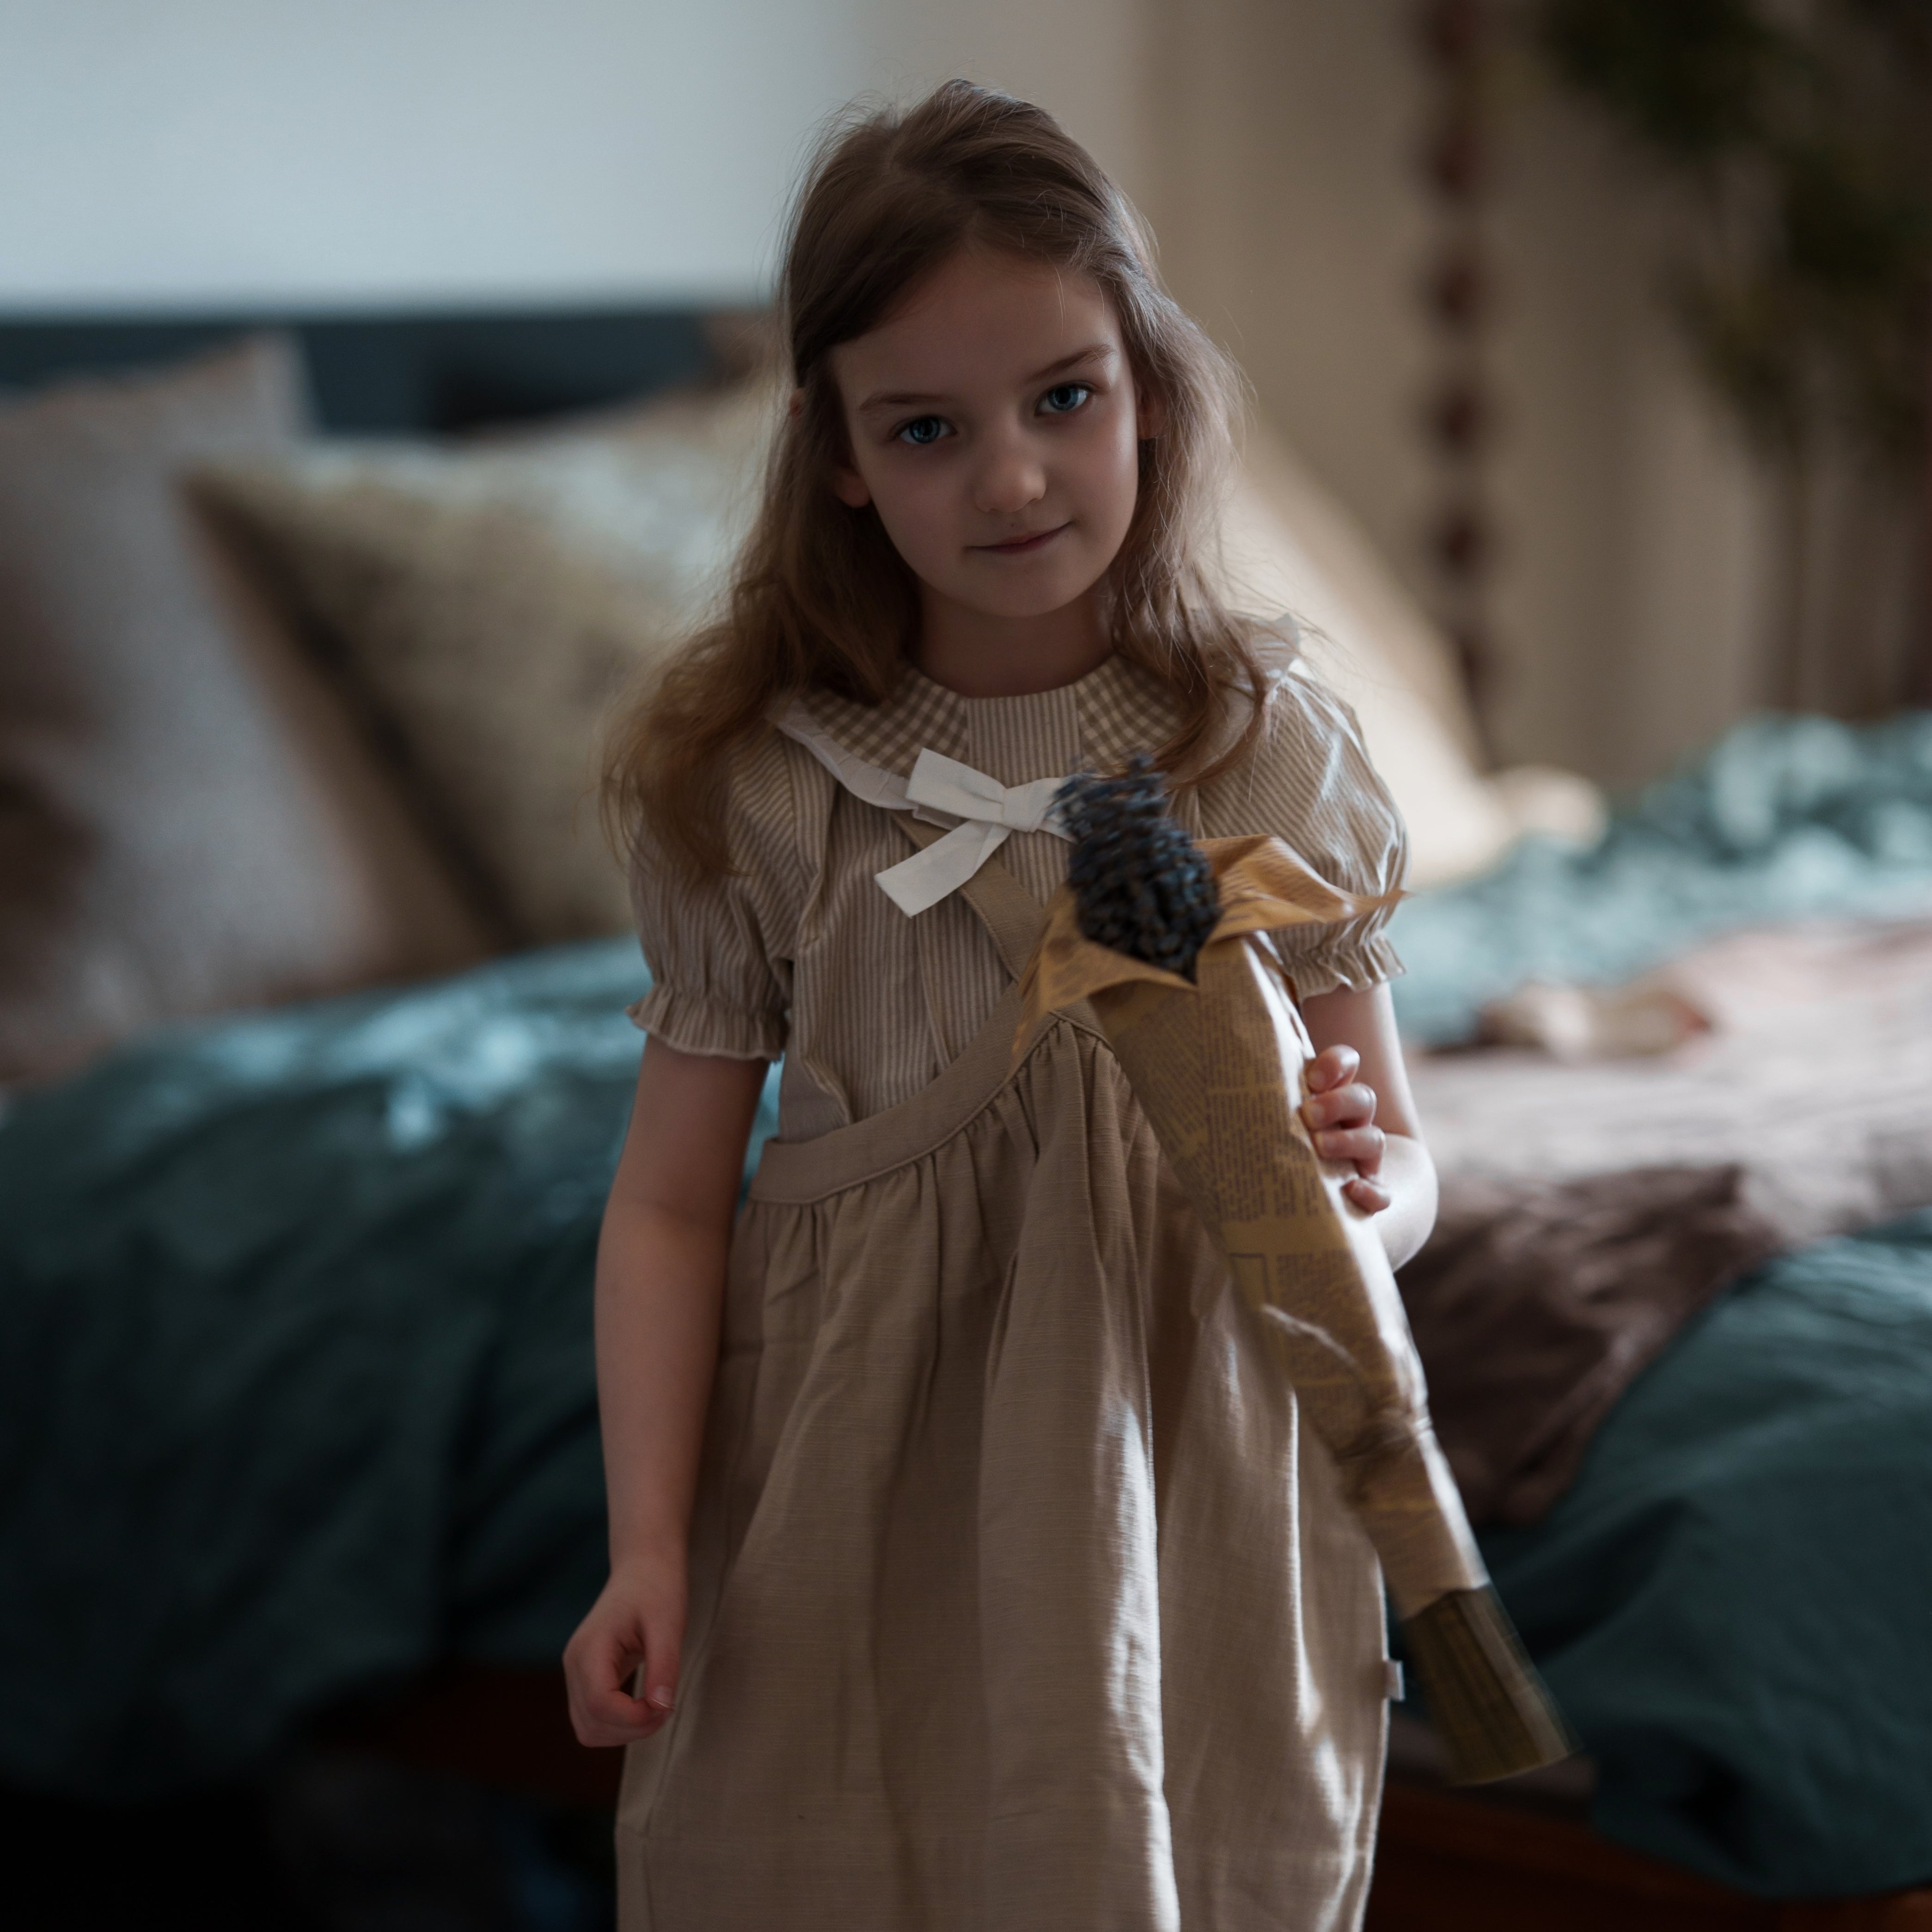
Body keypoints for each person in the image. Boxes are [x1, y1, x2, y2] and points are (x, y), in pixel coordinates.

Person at [564, 78, 1439, 1932]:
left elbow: (1401, 1173)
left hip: (1193, 1457)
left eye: (1063, 399)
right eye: (926, 429)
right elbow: (667, 1206)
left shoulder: (1265, 749)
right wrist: (644, 1543)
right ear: (836, 455)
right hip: (851, 1462)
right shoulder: (757, 782)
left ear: (1148, 388)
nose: (1015, 478)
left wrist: (1353, 1193)